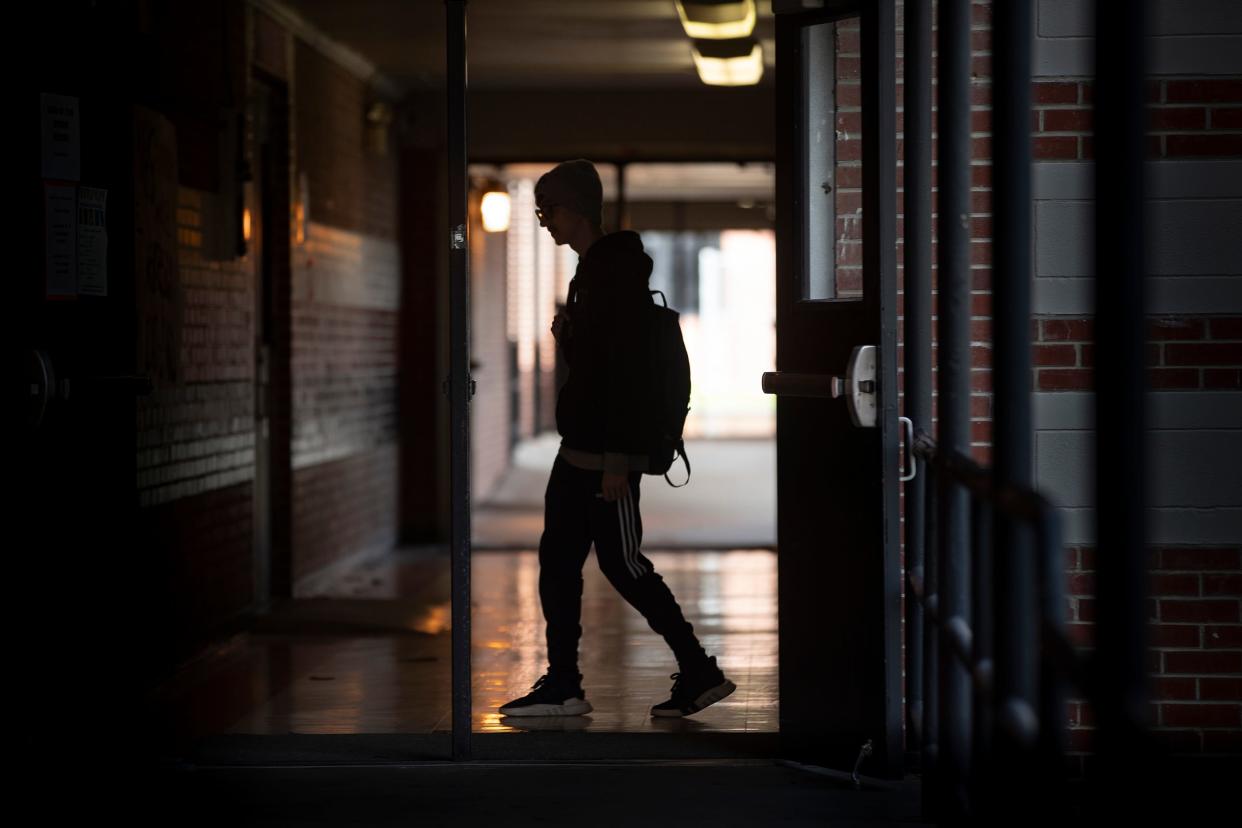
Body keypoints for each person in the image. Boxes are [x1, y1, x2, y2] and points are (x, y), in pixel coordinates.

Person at [499, 159, 735, 719]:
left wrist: (615, 461)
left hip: (605, 455)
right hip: (579, 450)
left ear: (575, 210)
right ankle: (563, 684)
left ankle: (698, 670)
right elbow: (599, 368)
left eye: (547, 210)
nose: (542, 222)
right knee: (559, 560)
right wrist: (571, 342)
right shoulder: (593, 271)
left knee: (623, 564)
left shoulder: (614, 274)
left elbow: (626, 375)